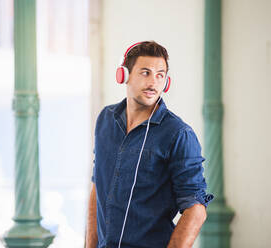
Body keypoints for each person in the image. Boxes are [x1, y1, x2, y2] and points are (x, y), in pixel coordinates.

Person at [86, 41, 214, 248]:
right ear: (124, 76)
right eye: (145, 73)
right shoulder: (105, 120)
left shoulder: (179, 134)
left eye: (160, 75)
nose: (153, 82)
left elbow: (196, 210)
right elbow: (97, 188)